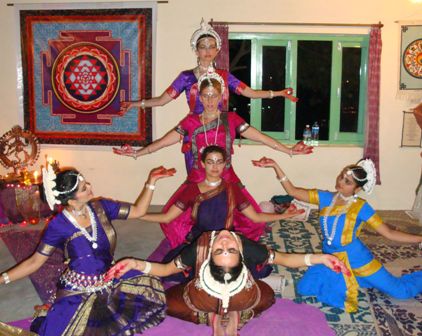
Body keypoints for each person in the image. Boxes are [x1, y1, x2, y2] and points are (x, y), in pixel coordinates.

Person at [118, 73, 312, 249]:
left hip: (227, 177)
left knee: (251, 221)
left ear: (221, 97)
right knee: (173, 221)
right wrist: (137, 153)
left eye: (214, 95)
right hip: (197, 179)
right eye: (206, 96)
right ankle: (197, 248)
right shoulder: (190, 122)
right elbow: (162, 142)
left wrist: (289, 151)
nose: (210, 100)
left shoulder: (232, 119)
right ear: (200, 98)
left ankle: (231, 248)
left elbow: (260, 137)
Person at [0, 164, 167, 335]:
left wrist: (151, 182)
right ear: (72, 200)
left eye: (86, 183)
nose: (90, 187)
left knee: (143, 299)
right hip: (78, 289)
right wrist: (2, 279)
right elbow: (35, 261)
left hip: (109, 278)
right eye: (83, 188)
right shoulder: (59, 225)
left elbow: (138, 211)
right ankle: (49, 308)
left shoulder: (101, 207)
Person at [252, 156, 422, 313]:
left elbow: (389, 233)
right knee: (305, 287)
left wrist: (420, 239)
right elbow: (294, 191)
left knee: (400, 292)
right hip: (331, 256)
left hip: (357, 259)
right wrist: (275, 166)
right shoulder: (326, 197)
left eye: (347, 182)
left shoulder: (361, 207)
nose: (340, 182)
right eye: (341, 176)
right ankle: (354, 278)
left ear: (357, 188)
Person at [105, 229, 349, 336]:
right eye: (226, 248)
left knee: (266, 297)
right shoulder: (205, 246)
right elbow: (167, 269)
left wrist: (318, 258)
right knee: (168, 303)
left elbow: (284, 258)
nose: (223, 241)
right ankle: (223, 315)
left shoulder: (211, 245)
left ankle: (225, 314)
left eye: (226, 249)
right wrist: (137, 264)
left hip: (241, 293)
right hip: (204, 295)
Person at [136, 145, 304, 272]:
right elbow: (167, 218)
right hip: (200, 240)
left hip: (228, 239)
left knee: (256, 268)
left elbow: (256, 217)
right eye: (210, 162)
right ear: (202, 164)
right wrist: (137, 215)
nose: (215, 167)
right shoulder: (192, 190)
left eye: (219, 162)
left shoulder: (233, 189)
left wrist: (283, 216)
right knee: (174, 269)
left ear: (225, 164)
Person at [120, 19, 298, 115]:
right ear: (196, 50)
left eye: (211, 46)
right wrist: (134, 104)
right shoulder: (186, 77)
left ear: (217, 50)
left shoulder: (225, 76)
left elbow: (249, 93)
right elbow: (161, 101)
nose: (207, 50)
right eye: (203, 46)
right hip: (195, 130)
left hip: (221, 130)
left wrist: (278, 94)